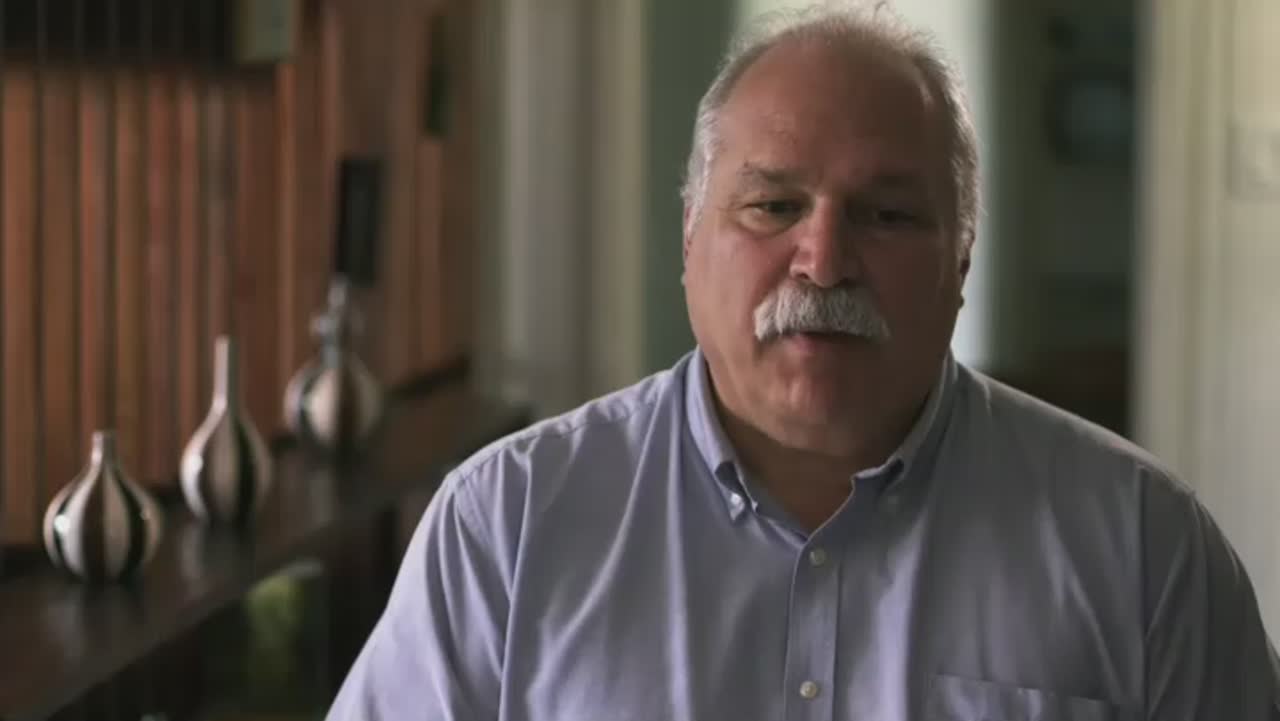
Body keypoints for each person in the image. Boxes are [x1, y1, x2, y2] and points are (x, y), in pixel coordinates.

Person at [327, 4, 1280, 720]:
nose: (823, 262)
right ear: (690, 239)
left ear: (961, 260)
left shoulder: (1146, 550)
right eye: (773, 207)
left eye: (887, 215)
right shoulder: (507, 527)